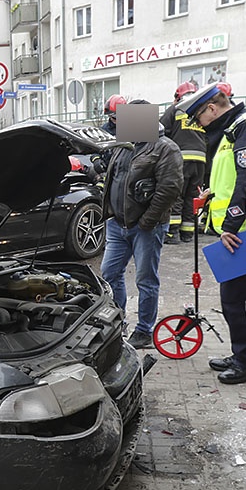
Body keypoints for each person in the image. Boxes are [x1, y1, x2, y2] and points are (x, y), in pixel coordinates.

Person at [178, 83, 246, 385]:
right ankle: (240, 355)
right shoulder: (230, 132)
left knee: (239, 302)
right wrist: (211, 194)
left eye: (200, 116)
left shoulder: (244, 127)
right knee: (231, 300)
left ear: (212, 107)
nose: (200, 124)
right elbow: (231, 179)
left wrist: (231, 226)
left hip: (241, 234)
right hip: (232, 233)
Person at [100, 100, 183, 349]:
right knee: (109, 273)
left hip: (146, 228)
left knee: (146, 280)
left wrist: (148, 221)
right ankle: (117, 320)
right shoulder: (125, 145)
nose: (119, 125)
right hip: (117, 224)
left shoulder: (165, 148)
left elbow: (170, 188)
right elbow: (114, 177)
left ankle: (144, 330)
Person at [160, 81, 206, 245]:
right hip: (200, 160)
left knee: (176, 195)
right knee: (191, 197)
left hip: (181, 158)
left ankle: (172, 234)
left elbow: (160, 129)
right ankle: (187, 234)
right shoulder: (200, 111)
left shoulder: (176, 109)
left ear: (177, 97)